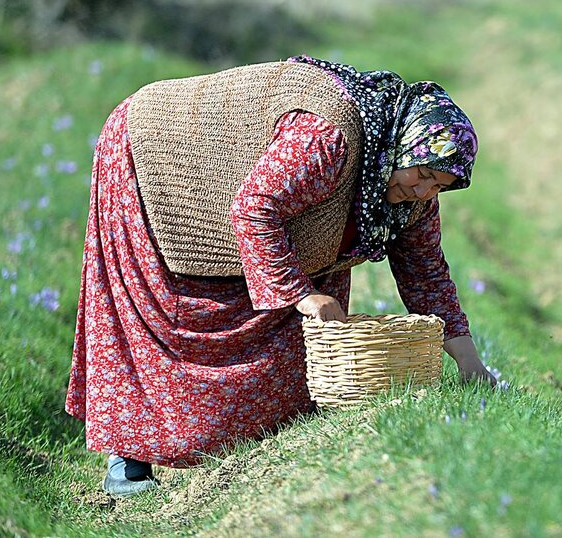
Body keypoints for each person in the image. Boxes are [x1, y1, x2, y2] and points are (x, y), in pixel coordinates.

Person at [65, 55, 492, 497]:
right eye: (422, 175)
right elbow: (254, 208)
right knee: (166, 316)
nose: (423, 190)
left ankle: (265, 451)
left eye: (439, 185)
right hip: (158, 156)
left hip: (253, 200)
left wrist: (469, 362)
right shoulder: (328, 139)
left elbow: (426, 272)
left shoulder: (414, 194)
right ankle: (128, 462)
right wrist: (301, 294)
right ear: (404, 145)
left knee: (302, 330)